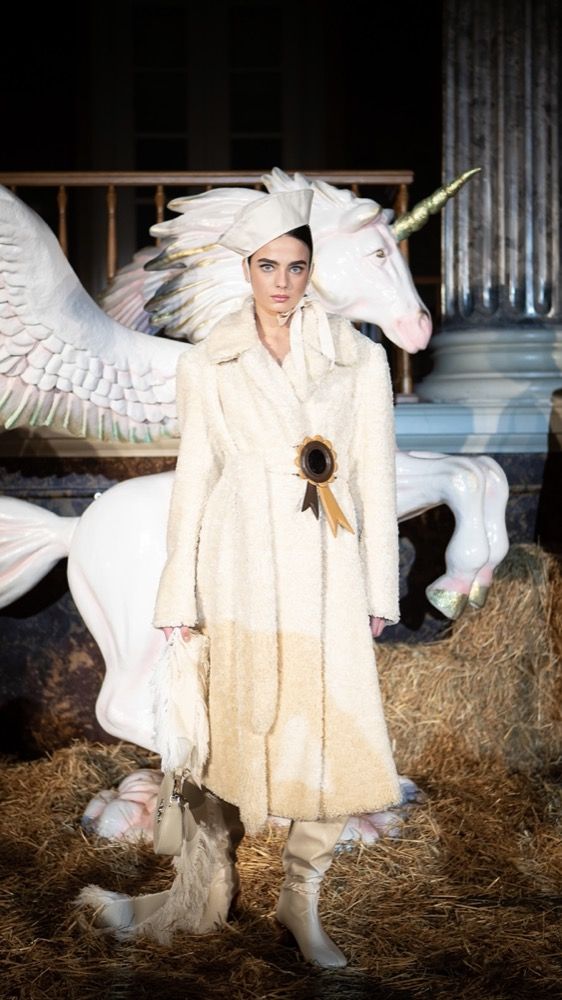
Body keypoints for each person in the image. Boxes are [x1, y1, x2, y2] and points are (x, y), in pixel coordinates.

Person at [149, 187, 402, 968]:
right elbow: (195, 478)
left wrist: (379, 587)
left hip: (328, 562)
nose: (283, 282)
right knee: (232, 724)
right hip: (239, 566)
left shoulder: (358, 358)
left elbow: (376, 477)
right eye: (268, 266)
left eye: (296, 266)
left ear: (310, 270)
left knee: (336, 733)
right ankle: (213, 883)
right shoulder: (209, 362)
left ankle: (302, 900)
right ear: (247, 270)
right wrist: (178, 593)